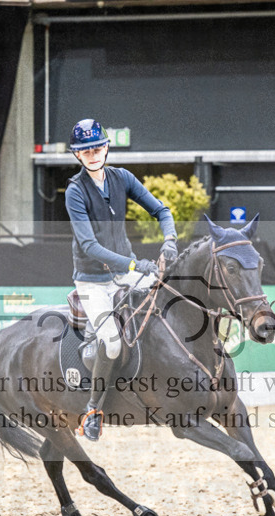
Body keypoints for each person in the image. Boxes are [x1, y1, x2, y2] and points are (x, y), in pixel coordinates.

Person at [64, 118, 177, 441]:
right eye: (86, 151)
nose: (93, 155)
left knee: (169, 301)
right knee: (112, 343)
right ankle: (93, 409)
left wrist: (169, 240)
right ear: (78, 155)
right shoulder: (75, 191)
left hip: (127, 272)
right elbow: (89, 246)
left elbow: (162, 211)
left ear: (106, 148)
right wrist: (133, 265)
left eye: (97, 148)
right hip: (93, 280)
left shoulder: (122, 178)